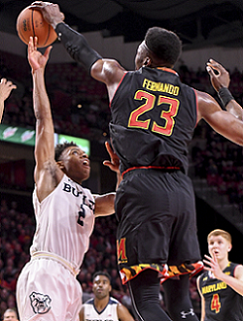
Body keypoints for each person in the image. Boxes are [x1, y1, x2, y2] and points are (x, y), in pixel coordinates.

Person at [30, 3, 243, 321]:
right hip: (181, 194)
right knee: (181, 301)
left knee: (145, 299)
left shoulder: (118, 76)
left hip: (141, 186)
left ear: (145, 57)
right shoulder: (199, 99)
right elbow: (239, 130)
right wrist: (224, 90)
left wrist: (59, 22)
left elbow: (84, 53)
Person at [16, 36, 120, 321]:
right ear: (60, 164)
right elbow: (43, 121)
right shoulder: (51, 176)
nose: (84, 157)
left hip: (71, 279)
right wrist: (37, 74)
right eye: (76, 152)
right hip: (45, 270)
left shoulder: (90, 199)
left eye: (85, 154)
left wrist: (122, 172)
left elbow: (121, 202)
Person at [196, 229, 243, 321]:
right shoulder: (201, 279)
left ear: (229, 247)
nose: (215, 246)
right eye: (211, 243)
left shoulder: (237, 269)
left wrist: (221, 276)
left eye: (220, 242)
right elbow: (204, 314)